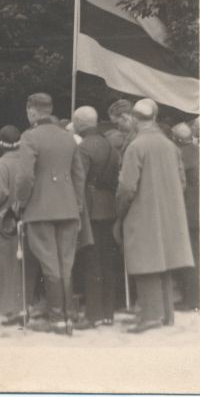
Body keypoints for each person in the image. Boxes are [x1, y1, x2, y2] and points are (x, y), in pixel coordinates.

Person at [114, 99, 194, 333]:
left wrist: (120, 212)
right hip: (169, 213)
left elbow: (127, 187)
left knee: (145, 260)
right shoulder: (170, 146)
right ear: (155, 118)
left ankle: (150, 316)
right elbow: (182, 182)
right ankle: (165, 315)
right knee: (164, 262)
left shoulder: (136, 146)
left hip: (143, 212)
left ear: (134, 119)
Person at [14, 93, 85, 335]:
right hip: (68, 208)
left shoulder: (30, 137)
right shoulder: (68, 138)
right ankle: (67, 318)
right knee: (66, 265)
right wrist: (77, 205)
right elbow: (79, 176)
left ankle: (56, 319)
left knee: (50, 266)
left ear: (32, 111)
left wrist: (21, 202)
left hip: (40, 209)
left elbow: (24, 177)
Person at [0, 125, 38, 321]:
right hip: (25, 215)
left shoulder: (3, 163)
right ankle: (25, 303)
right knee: (22, 264)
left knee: (4, 263)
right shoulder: (26, 159)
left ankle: (8, 306)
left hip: (4, 220)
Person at [71, 106, 120, 329]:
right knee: (107, 261)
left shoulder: (83, 148)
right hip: (109, 206)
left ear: (79, 124)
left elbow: (78, 182)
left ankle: (93, 315)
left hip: (90, 207)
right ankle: (108, 312)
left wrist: (77, 210)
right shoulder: (110, 144)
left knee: (91, 262)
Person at [172, 122, 200, 311]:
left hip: (189, 210)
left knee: (190, 255)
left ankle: (192, 299)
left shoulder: (182, 155)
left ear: (176, 139)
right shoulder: (197, 150)